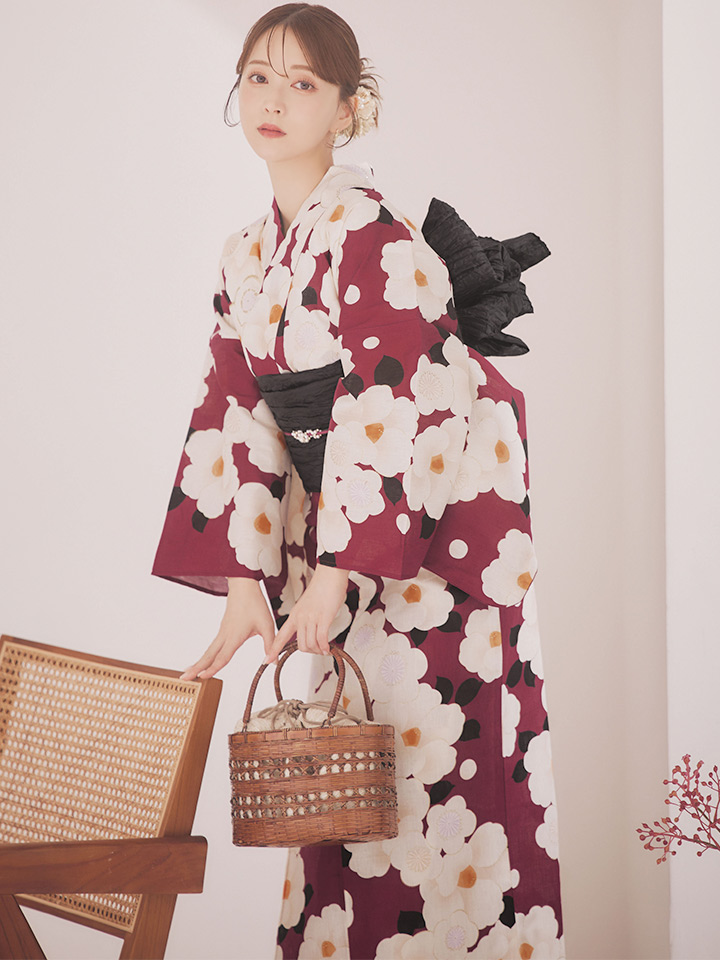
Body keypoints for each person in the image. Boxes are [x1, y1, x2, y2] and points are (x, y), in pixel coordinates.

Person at [152, 4, 564, 957]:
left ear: (347, 107)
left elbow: (406, 399)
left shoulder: (374, 234)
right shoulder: (248, 252)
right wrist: (246, 584)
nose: (274, 99)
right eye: (258, 77)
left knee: (437, 792)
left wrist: (339, 571)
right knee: (348, 789)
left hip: (436, 555)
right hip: (350, 543)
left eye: (303, 83)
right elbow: (234, 411)